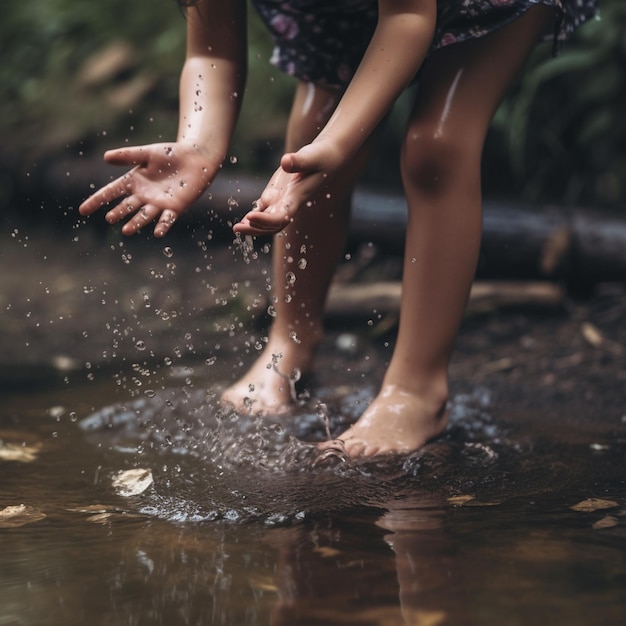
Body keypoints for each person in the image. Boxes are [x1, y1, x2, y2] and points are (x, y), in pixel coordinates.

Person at [79, 0, 599, 458]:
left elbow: (407, 19)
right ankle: (289, 346)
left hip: (473, 7)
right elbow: (211, 52)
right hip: (342, 12)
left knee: (435, 146)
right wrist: (198, 143)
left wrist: (336, 148)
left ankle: (416, 391)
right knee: (312, 126)